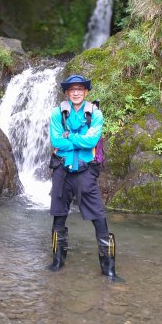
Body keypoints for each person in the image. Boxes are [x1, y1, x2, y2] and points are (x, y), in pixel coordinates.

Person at [48, 73, 120, 280]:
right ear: (67, 93)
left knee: (99, 217)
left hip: (85, 171)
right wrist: (78, 139)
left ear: (86, 92)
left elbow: (91, 142)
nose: (76, 92)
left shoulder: (95, 115)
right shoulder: (56, 113)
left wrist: (69, 136)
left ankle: (109, 270)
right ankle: (57, 263)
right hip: (62, 169)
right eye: (72, 89)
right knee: (59, 215)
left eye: (80, 89)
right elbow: (56, 142)